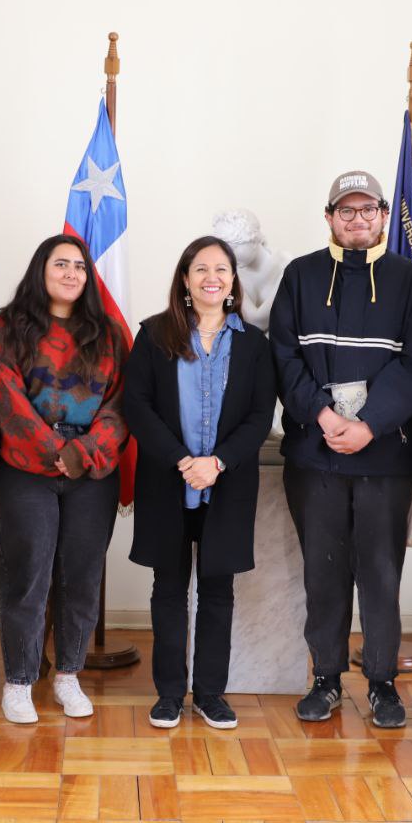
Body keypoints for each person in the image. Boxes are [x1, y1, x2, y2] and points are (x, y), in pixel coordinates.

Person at [268, 170, 412, 727]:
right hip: (314, 453)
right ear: (329, 217)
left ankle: (383, 683)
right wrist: (320, 415)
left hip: (385, 455)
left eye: (369, 210)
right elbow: (285, 357)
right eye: (347, 210)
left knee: (381, 573)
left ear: (386, 216)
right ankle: (326, 678)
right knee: (325, 568)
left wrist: (368, 425)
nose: (358, 219)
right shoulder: (299, 275)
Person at [123, 236, 277, 729]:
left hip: (226, 484)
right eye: (202, 268)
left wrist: (218, 462)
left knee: (217, 590)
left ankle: (210, 693)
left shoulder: (255, 345)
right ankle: (169, 694)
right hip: (168, 483)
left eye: (222, 269)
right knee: (168, 588)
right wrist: (183, 460)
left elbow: (259, 416)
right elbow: (137, 407)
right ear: (185, 280)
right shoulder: (153, 335)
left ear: (233, 281)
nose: (213, 277)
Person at [0, 234, 129, 724]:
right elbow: (5, 396)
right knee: (28, 575)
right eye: (60, 264)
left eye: (79, 266)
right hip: (25, 470)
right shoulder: (10, 326)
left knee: (81, 577)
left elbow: (121, 403)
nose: (71, 273)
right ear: (41, 270)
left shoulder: (109, 333)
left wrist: (84, 451)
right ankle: (20, 680)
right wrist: (55, 451)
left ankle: (68, 674)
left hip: (92, 471)